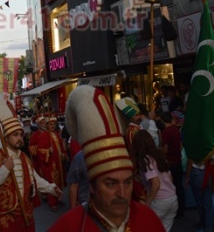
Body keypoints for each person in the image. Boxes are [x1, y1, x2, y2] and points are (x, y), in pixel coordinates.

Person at [48, 85, 164, 231]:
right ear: (92, 186)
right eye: (111, 184)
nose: (122, 194)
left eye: (128, 182)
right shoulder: (69, 226)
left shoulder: (148, 218)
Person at [0, 100, 62, 231]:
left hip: (25, 213)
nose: (19, 138)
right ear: (6, 137)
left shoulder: (24, 158)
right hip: (5, 218)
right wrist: (5, 169)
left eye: (20, 134)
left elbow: (34, 179)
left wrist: (51, 188)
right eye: (15, 135)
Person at [131, 130, 178, 231]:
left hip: (159, 201)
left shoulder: (145, 159)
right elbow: (169, 178)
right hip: (172, 198)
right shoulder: (159, 155)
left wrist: (147, 203)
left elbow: (156, 184)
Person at [115, 97, 146, 202]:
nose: (139, 117)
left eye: (139, 114)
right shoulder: (134, 131)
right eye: (136, 115)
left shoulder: (131, 129)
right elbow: (138, 149)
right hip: (138, 164)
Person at [32, 116, 66, 211]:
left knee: (60, 181)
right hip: (50, 164)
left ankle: (58, 198)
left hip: (58, 162)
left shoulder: (56, 134)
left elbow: (61, 147)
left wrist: (63, 153)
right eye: (50, 124)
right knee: (52, 182)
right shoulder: (44, 136)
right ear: (47, 125)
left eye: (54, 124)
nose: (52, 126)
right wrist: (48, 151)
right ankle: (52, 202)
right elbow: (39, 151)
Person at [160, 111, 185, 219]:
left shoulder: (166, 132)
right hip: (177, 161)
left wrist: (158, 152)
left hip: (170, 162)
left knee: (170, 187)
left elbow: (165, 149)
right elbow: (180, 146)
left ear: (162, 120)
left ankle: (174, 210)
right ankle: (181, 210)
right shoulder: (176, 130)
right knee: (179, 186)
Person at [184, 157, 213, 232]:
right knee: (207, 202)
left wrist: (187, 177)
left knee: (200, 201)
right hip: (208, 173)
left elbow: (190, 162)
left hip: (197, 173)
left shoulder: (195, 147)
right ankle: (208, 225)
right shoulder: (209, 147)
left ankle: (204, 224)